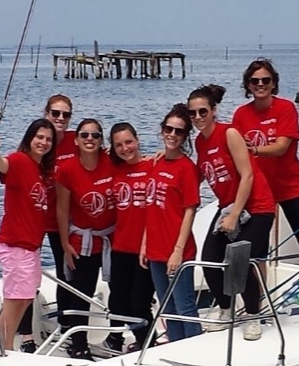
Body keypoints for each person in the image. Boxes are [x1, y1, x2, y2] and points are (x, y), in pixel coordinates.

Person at [232, 58, 299, 328]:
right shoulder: (241, 114)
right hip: (259, 191)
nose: (260, 85)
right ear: (248, 85)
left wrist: (252, 149)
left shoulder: (285, 108)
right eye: (255, 81)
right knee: (258, 251)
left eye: (266, 80)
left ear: (273, 83)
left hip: (290, 186)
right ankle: (259, 306)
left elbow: (281, 147)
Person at [188, 84, 275, 341]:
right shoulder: (200, 141)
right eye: (192, 113)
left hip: (257, 207)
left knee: (240, 259)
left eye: (203, 111)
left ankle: (253, 315)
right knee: (210, 259)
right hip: (227, 206)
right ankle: (227, 310)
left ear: (213, 110)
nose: (198, 117)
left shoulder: (229, 133)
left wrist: (235, 215)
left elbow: (247, 175)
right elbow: (199, 174)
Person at [0, 119, 56, 352]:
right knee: (14, 302)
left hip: (31, 248)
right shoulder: (20, 160)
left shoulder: (40, 170)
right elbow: (1, 164)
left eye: (48, 139)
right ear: (29, 138)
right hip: (15, 245)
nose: (43, 142)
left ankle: (5, 349)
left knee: (25, 299)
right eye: (39, 137)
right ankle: (5, 353)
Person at [18, 94, 78, 353]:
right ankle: (26, 336)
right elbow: (11, 167)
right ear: (46, 113)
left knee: (67, 274)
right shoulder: (38, 142)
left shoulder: (77, 141)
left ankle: (67, 326)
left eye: (66, 114)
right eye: (56, 113)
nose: (60, 118)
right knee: (26, 277)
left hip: (63, 222)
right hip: (34, 220)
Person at [55, 118, 116, 360]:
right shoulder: (67, 169)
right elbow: (62, 209)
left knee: (120, 291)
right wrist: (65, 244)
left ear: (101, 140)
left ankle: (117, 337)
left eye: (95, 135)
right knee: (82, 294)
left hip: (112, 238)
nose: (90, 139)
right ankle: (79, 345)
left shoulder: (112, 160)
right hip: (83, 241)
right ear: (77, 140)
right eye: (84, 135)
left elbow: (136, 160)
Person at [141, 105, 202, 342]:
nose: (172, 134)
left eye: (179, 131)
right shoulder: (156, 163)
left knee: (185, 307)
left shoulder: (186, 168)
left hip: (177, 249)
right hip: (155, 249)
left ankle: (193, 349)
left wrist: (178, 251)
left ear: (185, 136)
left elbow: (190, 210)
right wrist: (145, 244)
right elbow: (151, 208)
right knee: (167, 307)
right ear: (162, 130)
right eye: (169, 129)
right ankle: (175, 346)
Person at [105, 122, 155, 352]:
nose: (125, 148)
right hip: (120, 246)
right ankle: (115, 340)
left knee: (139, 303)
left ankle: (147, 343)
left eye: (129, 142)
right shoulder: (114, 170)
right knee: (117, 301)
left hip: (146, 248)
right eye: (119, 145)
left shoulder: (153, 165)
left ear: (137, 140)